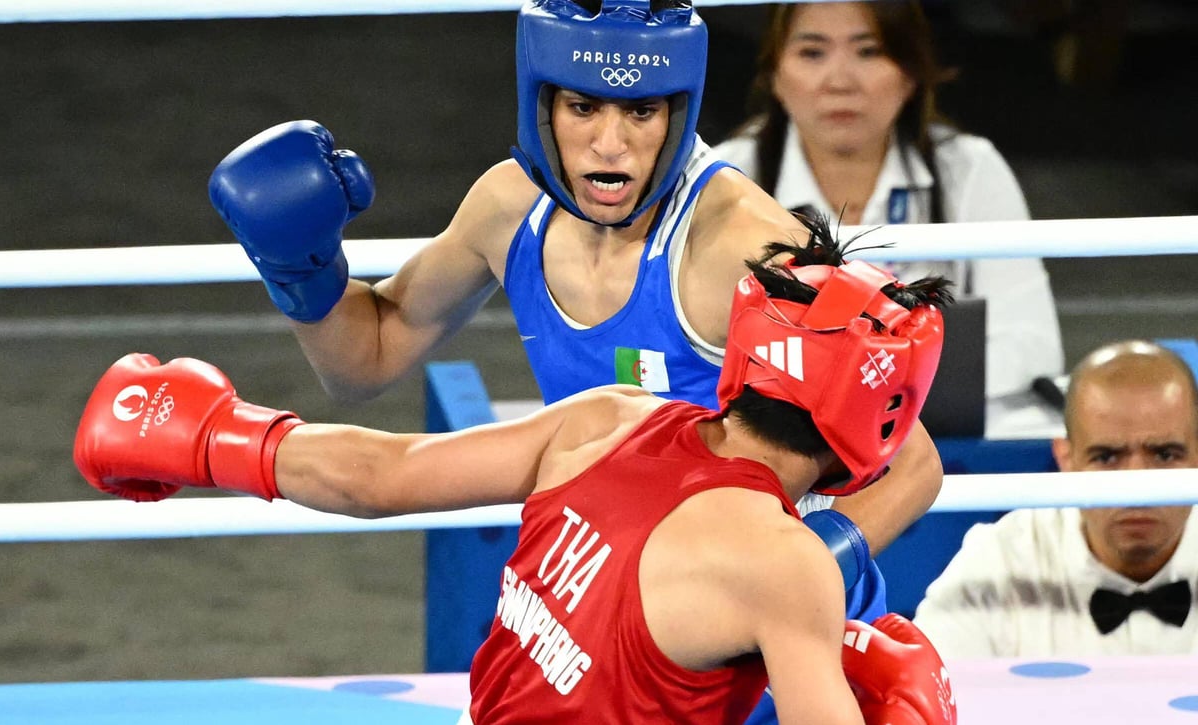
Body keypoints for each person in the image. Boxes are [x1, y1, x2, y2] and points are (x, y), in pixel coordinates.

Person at [207, 1, 946, 638]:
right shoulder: (508, 208)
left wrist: (794, 573)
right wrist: (301, 272)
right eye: (584, 106)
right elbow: (363, 359)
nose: (611, 143)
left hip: (764, 627)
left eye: (641, 109)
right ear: (543, 106)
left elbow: (911, 461)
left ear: (678, 109)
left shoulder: (742, 247)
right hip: (615, 608)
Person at [74, 232, 957, 725]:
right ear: (875, 414)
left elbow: (380, 475)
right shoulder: (785, 563)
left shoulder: (610, 416)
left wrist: (212, 437)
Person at [710, 0, 1063, 399]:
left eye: (869, 51)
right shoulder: (724, 179)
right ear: (774, 74)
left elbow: (1033, 345)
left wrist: (866, 393)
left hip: (935, 438)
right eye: (812, 52)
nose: (840, 80)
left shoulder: (969, 168)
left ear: (911, 73)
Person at [912, 340, 1198, 657]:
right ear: (1065, 458)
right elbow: (922, 688)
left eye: (1165, 454)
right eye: (1106, 457)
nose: (1136, 487)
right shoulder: (999, 560)